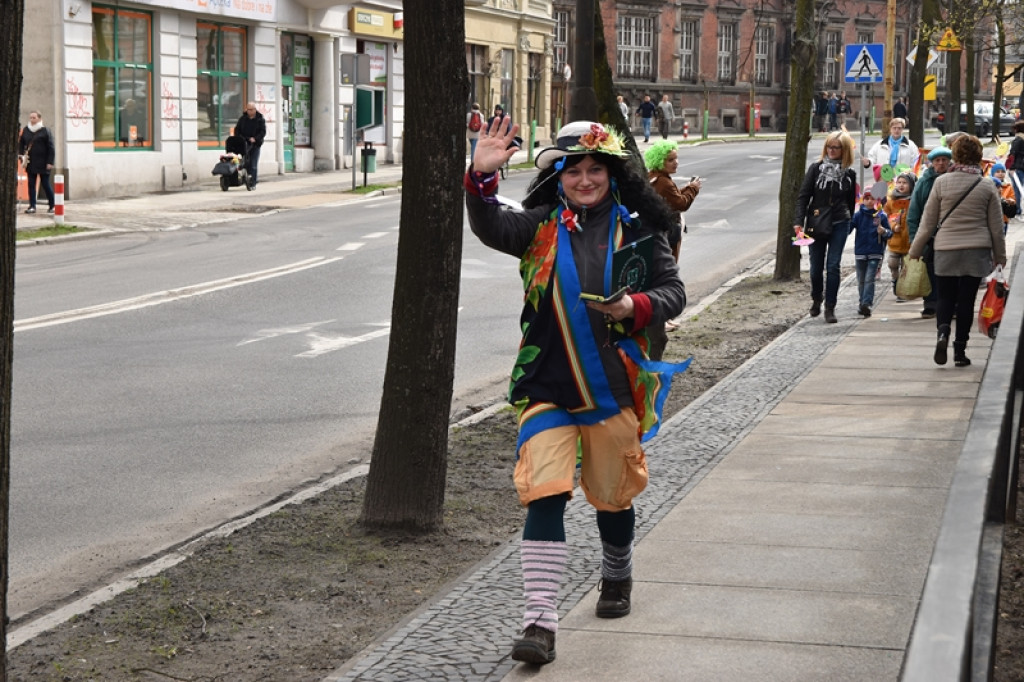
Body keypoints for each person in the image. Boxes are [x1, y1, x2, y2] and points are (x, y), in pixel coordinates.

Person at [464, 117, 688, 666]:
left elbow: (673, 291)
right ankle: (539, 623)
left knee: (614, 497)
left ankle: (617, 571)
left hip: (612, 387)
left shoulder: (640, 230)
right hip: (545, 384)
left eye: (595, 170)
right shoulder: (538, 226)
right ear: (557, 177)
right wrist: (480, 178)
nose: (585, 179)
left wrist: (634, 307)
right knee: (544, 491)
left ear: (613, 174)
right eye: (573, 171)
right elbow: (491, 226)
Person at [908, 134, 1007, 367]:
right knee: (966, 301)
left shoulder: (941, 183)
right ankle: (960, 351)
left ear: (955, 155)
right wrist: (1000, 257)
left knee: (945, 296)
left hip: (946, 249)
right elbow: (996, 227)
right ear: (979, 156)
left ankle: (942, 332)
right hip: (976, 250)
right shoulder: (987, 185)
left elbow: (927, 223)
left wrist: (915, 250)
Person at [793, 131, 858, 323]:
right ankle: (816, 298)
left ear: (844, 150)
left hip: (840, 222)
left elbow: (850, 202)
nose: (831, 150)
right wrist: (798, 221)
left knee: (833, 266)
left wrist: (849, 221)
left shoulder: (849, 174)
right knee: (815, 267)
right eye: (829, 146)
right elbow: (803, 197)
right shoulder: (816, 169)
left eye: (836, 147)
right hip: (816, 222)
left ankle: (830, 307)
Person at [645, 140, 701, 347]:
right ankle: (662, 318)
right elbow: (680, 203)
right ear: (660, 161)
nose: (675, 163)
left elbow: (673, 196)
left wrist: (686, 188)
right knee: (666, 273)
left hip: (658, 231)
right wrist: (693, 189)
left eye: (676, 158)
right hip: (669, 232)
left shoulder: (654, 177)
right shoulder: (664, 182)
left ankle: (663, 318)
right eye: (670, 160)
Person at [907, 145, 955, 319]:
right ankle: (930, 304)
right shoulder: (923, 183)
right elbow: (914, 212)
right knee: (930, 270)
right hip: (929, 235)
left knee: (950, 271)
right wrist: (915, 239)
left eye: (944, 160)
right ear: (932, 163)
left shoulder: (955, 179)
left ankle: (952, 304)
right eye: (937, 160)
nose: (941, 163)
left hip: (950, 233)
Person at [849, 188, 892, 317]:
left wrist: (883, 231)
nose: (869, 201)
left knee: (869, 278)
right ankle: (862, 303)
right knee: (861, 279)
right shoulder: (858, 215)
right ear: (863, 200)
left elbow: (889, 233)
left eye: (872, 199)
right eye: (866, 198)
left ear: (876, 201)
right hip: (860, 252)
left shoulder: (881, 216)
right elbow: (848, 229)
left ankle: (867, 303)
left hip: (875, 251)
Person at [884, 172, 917, 297]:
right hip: (895, 239)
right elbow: (887, 216)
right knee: (892, 263)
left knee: (905, 267)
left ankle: (902, 290)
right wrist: (893, 226)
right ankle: (895, 279)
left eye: (905, 183)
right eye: (899, 182)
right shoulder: (891, 200)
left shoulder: (914, 201)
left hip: (908, 241)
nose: (901, 185)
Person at [18, 110, 56, 214]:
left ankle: (52, 205)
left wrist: (50, 162)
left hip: (43, 162)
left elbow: (51, 147)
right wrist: (21, 155)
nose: (32, 120)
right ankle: (32, 206)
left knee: (45, 184)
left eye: (34, 118)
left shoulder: (45, 131)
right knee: (31, 184)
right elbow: (21, 144)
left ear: (39, 118)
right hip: (31, 161)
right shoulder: (26, 130)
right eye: (31, 117)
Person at [235, 102, 266, 186]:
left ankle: (253, 182)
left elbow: (262, 132)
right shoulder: (243, 119)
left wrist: (255, 138)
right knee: (245, 163)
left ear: (255, 109)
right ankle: (246, 180)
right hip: (244, 143)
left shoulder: (260, 119)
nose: (250, 111)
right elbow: (237, 130)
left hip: (255, 144)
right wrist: (241, 138)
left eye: (251, 109)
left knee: (253, 164)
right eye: (248, 109)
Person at [990, 162, 1017, 233]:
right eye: (997, 172)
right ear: (992, 173)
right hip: (990, 220)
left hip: (1003, 220)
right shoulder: (988, 185)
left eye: (1003, 171)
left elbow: (1012, 200)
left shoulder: (1008, 186)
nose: (1000, 174)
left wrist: (1012, 203)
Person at [1007, 120, 1024, 217]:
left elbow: (1013, 154)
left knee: (1016, 189)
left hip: (1017, 168)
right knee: (1019, 188)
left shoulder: (1018, 140)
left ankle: (1017, 208)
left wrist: (1011, 167)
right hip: (1021, 167)